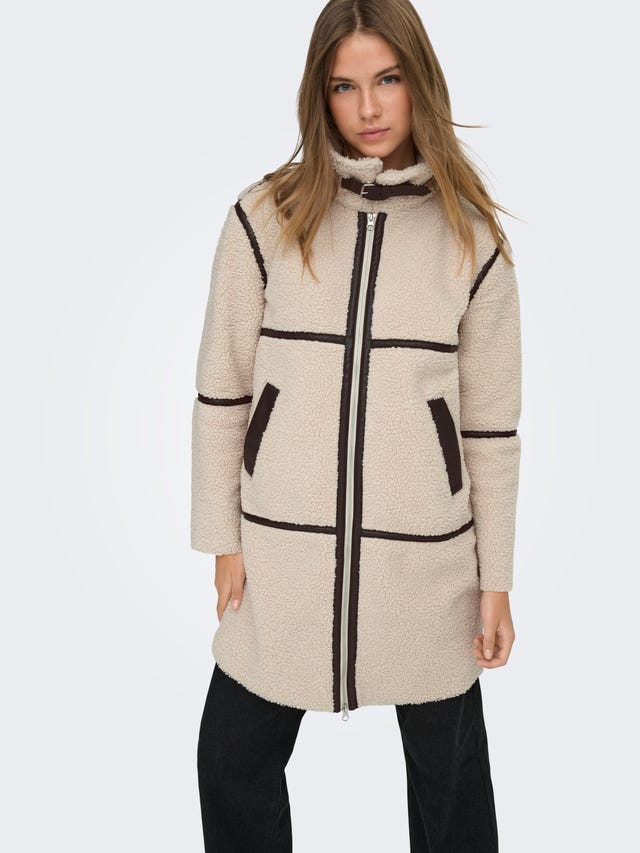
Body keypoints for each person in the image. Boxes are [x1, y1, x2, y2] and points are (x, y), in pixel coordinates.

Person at [191, 1, 522, 850]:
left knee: (452, 786)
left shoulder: (471, 238)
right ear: (320, 94)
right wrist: (222, 537)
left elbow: (490, 430)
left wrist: (495, 580)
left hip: (429, 560)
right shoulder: (264, 217)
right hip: (284, 550)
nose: (368, 107)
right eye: (344, 86)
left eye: (387, 79)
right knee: (231, 757)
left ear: (420, 83)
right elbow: (223, 392)